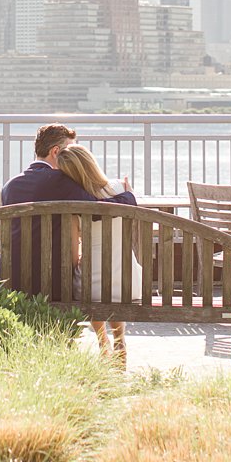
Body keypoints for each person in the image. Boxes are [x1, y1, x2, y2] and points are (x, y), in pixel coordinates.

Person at [0, 123, 135, 300]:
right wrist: (129, 197)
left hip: (9, 278)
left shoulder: (10, 185)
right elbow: (97, 210)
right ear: (56, 152)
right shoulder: (62, 182)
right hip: (49, 282)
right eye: (69, 151)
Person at [55, 143, 142, 362]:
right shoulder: (121, 189)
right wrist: (129, 193)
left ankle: (103, 342)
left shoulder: (76, 202)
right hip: (129, 284)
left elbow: (74, 253)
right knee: (113, 275)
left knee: (89, 276)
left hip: (90, 290)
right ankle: (120, 339)